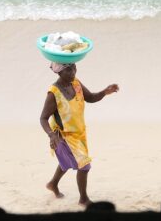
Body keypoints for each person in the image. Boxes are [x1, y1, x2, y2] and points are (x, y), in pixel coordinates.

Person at [40, 61, 119, 207]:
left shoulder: (76, 83)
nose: (73, 72)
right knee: (84, 166)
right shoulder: (54, 93)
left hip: (79, 133)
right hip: (63, 136)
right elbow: (43, 118)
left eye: (74, 68)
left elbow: (90, 98)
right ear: (59, 72)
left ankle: (53, 183)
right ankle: (83, 199)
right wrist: (51, 135)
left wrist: (104, 92)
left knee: (67, 162)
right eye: (69, 70)